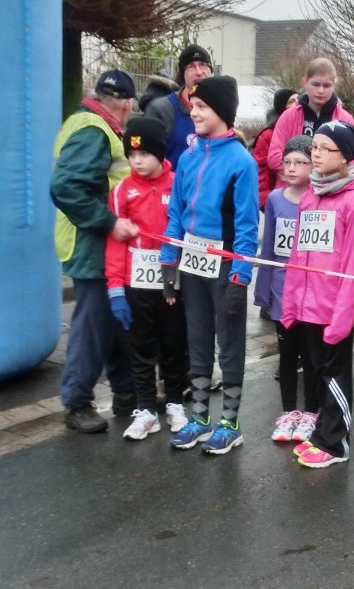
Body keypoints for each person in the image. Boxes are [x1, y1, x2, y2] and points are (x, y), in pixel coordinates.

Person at [159, 75, 259, 455]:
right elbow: (175, 215)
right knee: (197, 339)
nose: (194, 112)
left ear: (222, 111)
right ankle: (200, 418)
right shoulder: (186, 157)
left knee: (229, 345)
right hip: (192, 262)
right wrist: (169, 260)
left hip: (224, 264)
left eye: (201, 107)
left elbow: (248, 226)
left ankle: (230, 423)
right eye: (192, 106)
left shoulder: (241, 162)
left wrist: (240, 276)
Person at [51, 69, 140, 433]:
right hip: (91, 243)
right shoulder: (94, 131)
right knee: (92, 323)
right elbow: (67, 187)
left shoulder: (88, 122)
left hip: (97, 242)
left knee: (115, 321)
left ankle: (126, 394)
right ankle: (77, 402)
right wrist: (108, 222)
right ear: (127, 104)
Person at [281, 122, 354, 468]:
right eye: (314, 147)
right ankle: (322, 433)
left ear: (346, 158)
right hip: (306, 305)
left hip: (333, 309)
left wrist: (344, 316)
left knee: (334, 375)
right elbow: (297, 256)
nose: (315, 153)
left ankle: (336, 444)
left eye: (325, 148)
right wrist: (290, 302)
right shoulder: (309, 197)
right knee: (317, 373)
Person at [105, 117, 190, 440]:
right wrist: (114, 286)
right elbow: (115, 242)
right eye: (131, 154)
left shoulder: (176, 184)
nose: (137, 160)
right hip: (135, 282)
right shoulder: (121, 192)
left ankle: (175, 402)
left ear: (159, 153)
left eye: (144, 154)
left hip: (171, 281)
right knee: (140, 347)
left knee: (173, 344)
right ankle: (145, 409)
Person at [255, 135, 319, 443]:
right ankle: (288, 412)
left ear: (313, 164)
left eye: (300, 162)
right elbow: (268, 249)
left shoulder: (320, 198)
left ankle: (312, 412)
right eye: (288, 162)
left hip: (311, 291)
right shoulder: (276, 200)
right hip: (282, 291)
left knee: (311, 355)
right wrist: (263, 291)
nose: (291, 168)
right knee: (287, 354)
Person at [267, 58, 354, 175]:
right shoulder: (289, 116)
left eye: (326, 86)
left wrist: (296, 165)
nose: (320, 90)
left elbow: (351, 161)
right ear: (305, 82)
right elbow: (273, 158)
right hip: (294, 190)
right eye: (315, 84)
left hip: (329, 190)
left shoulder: (345, 119)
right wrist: (320, 167)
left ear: (334, 85)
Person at [144, 44, 214, 169]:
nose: (199, 72)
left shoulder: (221, 109)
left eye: (203, 64)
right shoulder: (162, 109)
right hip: (173, 187)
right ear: (183, 74)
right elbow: (145, 160)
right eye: (191, 66)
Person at [253, 88, 298, 208]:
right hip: (276, 197)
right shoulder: (268, 135)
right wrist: (265, 199)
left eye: (298, 99)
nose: (297, 103)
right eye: (292, 101)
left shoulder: (302, 128)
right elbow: (260, 169)